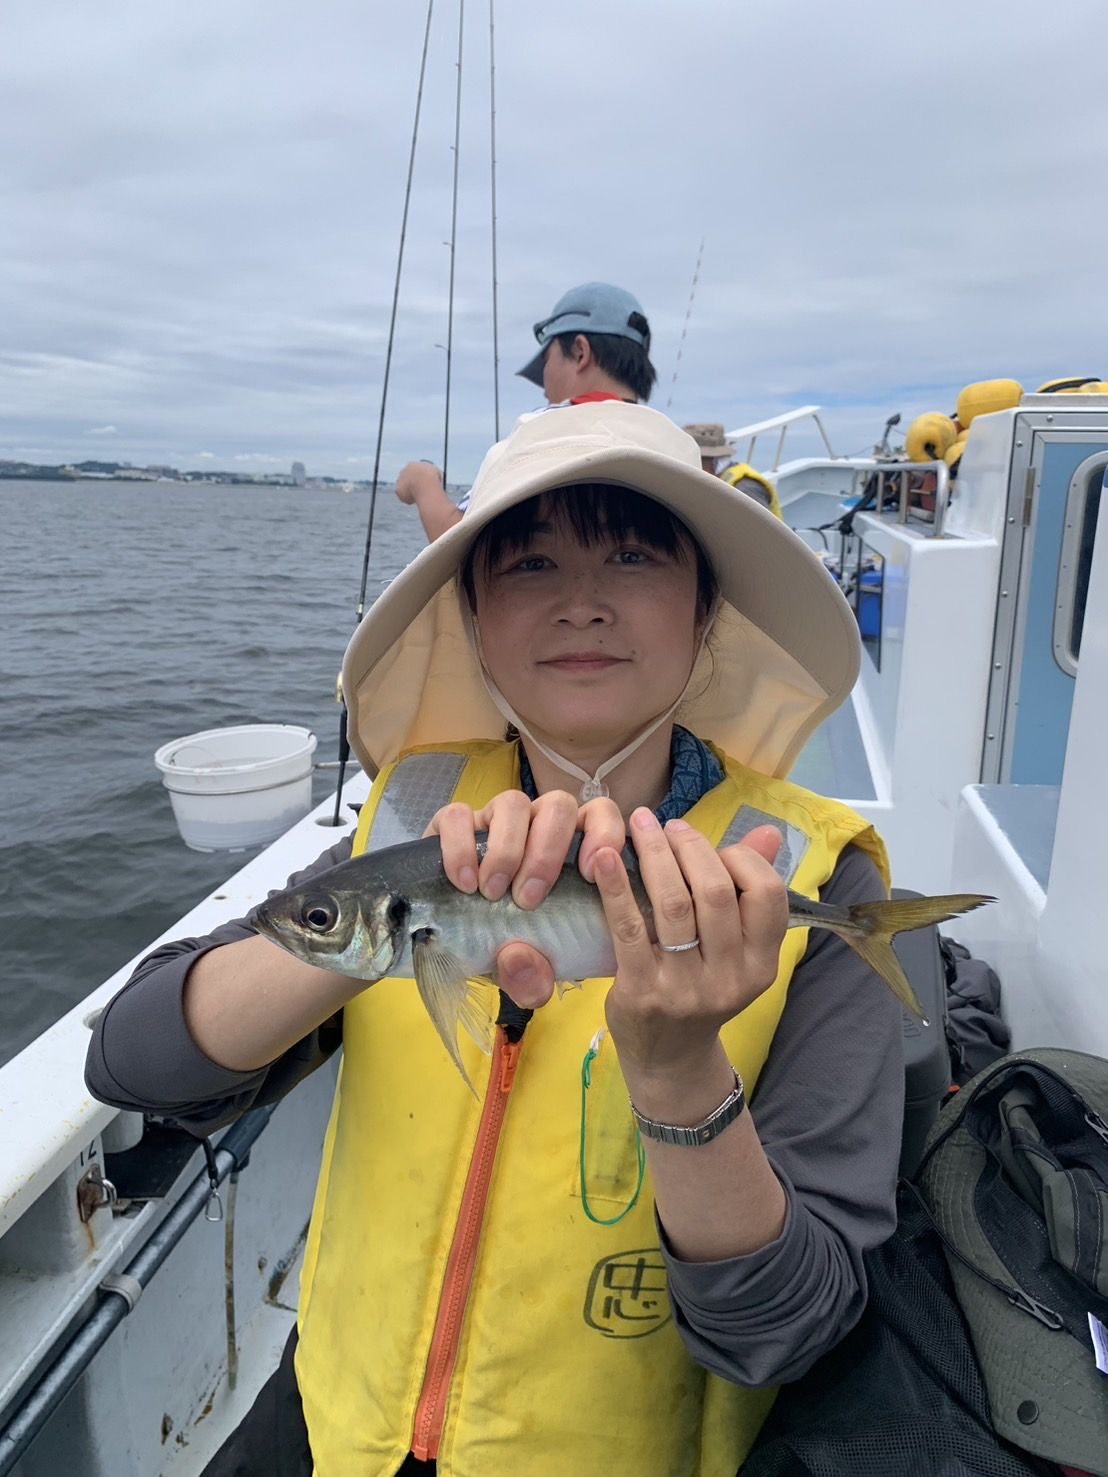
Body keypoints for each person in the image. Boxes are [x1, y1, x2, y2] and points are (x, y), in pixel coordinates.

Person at [87, 402, 904, 1476]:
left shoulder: (811, 876)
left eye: (632, 556)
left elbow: (790, 1330)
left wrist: (678, 1074)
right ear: (473, 621)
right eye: (527, 564)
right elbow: (131, 1062)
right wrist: (375, 925)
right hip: (337, 1428)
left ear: (707, 609)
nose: (581, 601)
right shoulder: (403, 821)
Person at [397, 281, 657, 541]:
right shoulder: (661, 442)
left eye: (546, 362)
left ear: (580, 352)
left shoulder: (545, 427)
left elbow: (459, 537)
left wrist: (422, 480)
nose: (544, 389)